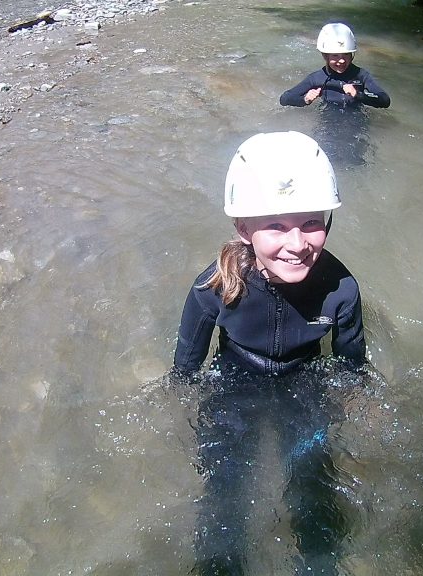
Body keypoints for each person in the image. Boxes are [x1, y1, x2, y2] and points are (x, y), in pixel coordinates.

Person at [174, 131, 366, 575]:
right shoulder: (215, 287)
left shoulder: (341, 290)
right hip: (234, 383)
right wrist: (183, 395)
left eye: (311, 223)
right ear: (244, 228)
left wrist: (357, 400)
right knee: (225, 488)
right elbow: (186, 364)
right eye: (276, 226)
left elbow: (352, 365)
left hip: (305, 381)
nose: (297, 245)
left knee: (315, 484)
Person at [279, 23, 391, 111]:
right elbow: (284, 99)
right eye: (335, 56)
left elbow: (385, 100)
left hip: (357, 121)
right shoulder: (317, 78)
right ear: (325, 56)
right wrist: (305, 99)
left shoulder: (361, 75)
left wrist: (358, 94)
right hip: (328, 122)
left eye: (346, 55)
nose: (341, 60)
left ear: (352, 54)